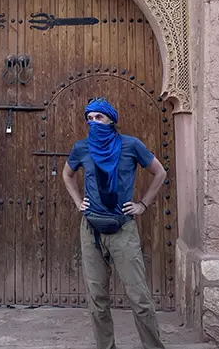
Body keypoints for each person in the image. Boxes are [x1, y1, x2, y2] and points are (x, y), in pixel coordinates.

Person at [62, 97, 168, 349]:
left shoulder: (131, 146)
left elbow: (160, 172)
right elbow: (67, 173)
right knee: (97, 299)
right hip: (91, 231)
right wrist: (79, 201)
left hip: (122, 229)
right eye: (89, 119)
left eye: (99, 117)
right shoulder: (82, 148)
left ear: (111, 119)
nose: (94, 122)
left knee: (139, 297)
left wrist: (142, 204)